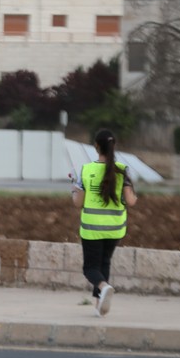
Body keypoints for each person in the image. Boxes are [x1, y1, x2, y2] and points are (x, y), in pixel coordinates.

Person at [71, 129, 138, 317]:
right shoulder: (122, 171)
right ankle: (99, 303)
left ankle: (103, 286)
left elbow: (78, 203)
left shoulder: (86, 170)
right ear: (113, 147)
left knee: (90, 268)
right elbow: (131, 201)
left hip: (92, 228)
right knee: (104, 262)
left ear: (96, 147)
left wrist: (74, 189)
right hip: (115, 228)